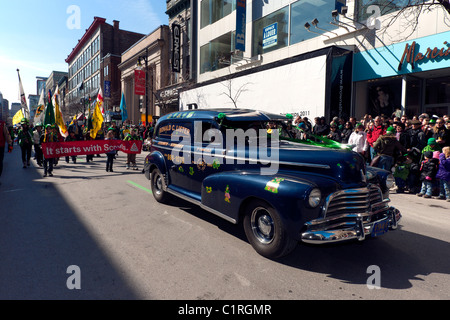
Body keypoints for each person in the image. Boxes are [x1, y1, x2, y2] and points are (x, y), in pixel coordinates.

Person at [0, 119, 13, 184]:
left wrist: (10, 143)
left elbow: (6, 134)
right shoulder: (2, 124)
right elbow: (7, 134)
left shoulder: (2, 124)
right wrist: (10, 143)